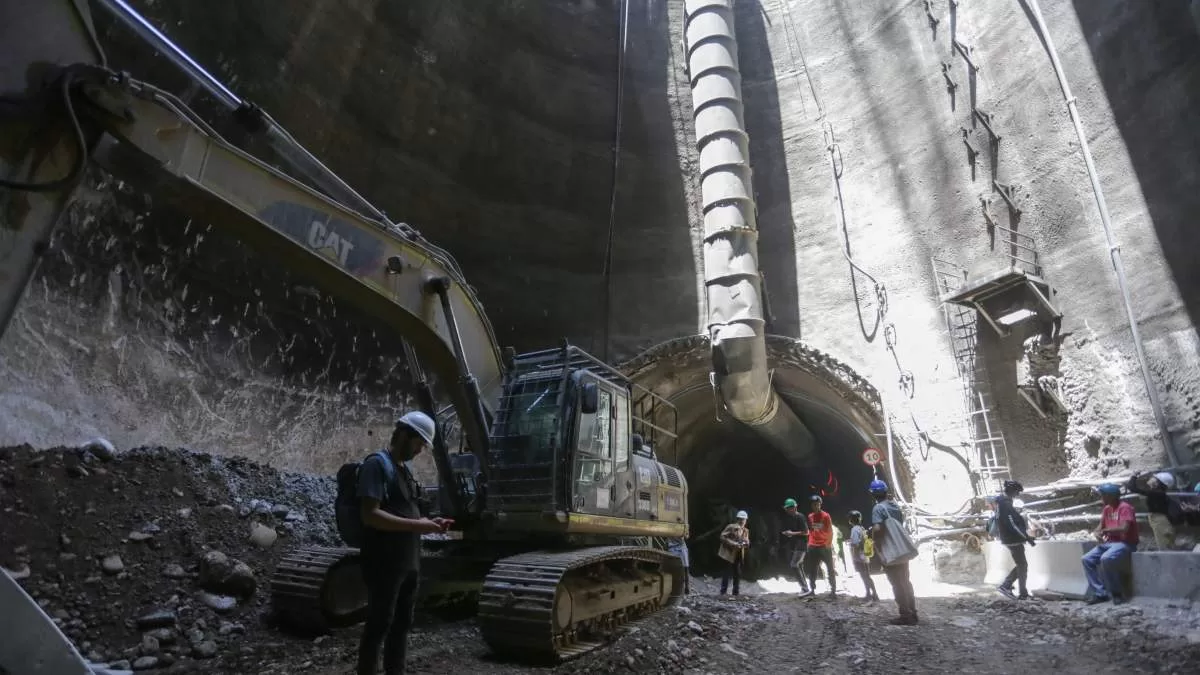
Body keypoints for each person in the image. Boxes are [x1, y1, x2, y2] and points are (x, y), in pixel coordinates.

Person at [356, 411, 452, 675]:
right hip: (383, 562)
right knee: (379, 624)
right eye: (419, 443)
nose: (420, 450)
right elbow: (370, 515)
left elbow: (406, 511)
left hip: (408, 562)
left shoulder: (404, 471)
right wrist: (419, 526)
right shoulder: (377, 465)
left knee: (401, 625)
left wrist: (432, 521)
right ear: (404, 435)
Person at [1081, 483, 1138, 605]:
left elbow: (1124, 528)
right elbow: (1101, 526)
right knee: (1086, 559)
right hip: (1110, 543)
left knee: (1106, 558)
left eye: (1103, 495)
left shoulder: (1125, 507)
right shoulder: (1107, 509)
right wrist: (1097, 532)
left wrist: (1106, 531)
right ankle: (1100, 593)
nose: (1102, 498)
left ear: (1111, 496)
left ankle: (1117, 593)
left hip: (1125, 543)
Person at [870, 479, 918, 625]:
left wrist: (873, 539)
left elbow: (878, 529)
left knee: (896, 584)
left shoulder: (878, 508)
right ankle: (913, 612)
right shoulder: (894, 505)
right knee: (905, 581)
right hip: (902, 549)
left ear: (872, 494)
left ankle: (905, 615)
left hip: (891, 551)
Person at [995, 480, 1037, 600]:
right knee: (1022, 565)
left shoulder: (1002, 503)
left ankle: (1021, 592)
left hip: (1010, 538)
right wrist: (1027, 537)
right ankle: (1007, 586)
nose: (1017, 494)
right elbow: (1012, 525)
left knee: (1021, 565)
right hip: (1012, 539)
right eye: (1017, 492)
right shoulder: (1005, 504)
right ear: (1012, 491)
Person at [1126, 471, 1177, 550]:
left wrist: (1134, 476)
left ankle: (1168, 561)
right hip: (1160, 520)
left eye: (1154, 478)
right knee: (1165, 545)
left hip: (1160, 521)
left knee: (1164, 547)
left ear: (1157, 483)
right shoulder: (1158, 493)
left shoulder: (1156, 494)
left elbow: (1132, 487)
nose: (1151, 478)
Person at [805, 495, 837, 598]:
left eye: (817, 504)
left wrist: (828, 544)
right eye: (814, 505)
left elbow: (830, 531)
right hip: (813, 546)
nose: (816, 506)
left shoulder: (826, 516)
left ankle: (833, 591)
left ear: (820, 504)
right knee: (813, 569)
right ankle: (812, 590)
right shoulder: (810, 516)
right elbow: (811, 530)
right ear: (811, 505)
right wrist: (809, 543)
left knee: (830, 569)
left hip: (824, 546)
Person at [780, 497, 811, 595]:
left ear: (794, 507)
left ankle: (805, 589)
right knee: (799, 566)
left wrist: (792, 533)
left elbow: (806, 532)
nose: (787, 510)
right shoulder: (793, 518)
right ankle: (805, 588)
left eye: (788, 508)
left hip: (802, 545)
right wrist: (789, 534)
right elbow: (797, 532)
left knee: (794, 565)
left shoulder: (800, 517)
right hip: (797, 545)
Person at [848, 510, 878, 601]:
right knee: (867, 575)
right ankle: (872, 593)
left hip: (859, 556)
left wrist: (851, 544)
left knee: (864, 576)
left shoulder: (854, 529)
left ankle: (871, 594)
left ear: (851, 520)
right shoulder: (862, 528)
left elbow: (856, 543)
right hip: (865, 555)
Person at [718, 510, 750, 596]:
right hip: (729, 554)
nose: (742, 521)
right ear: (738, 519)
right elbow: (722, 537)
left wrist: (746, 543)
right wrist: (733, 543)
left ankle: (736, 592)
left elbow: (747, 542)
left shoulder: (746, 531)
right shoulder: (731, 527)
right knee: (726, 572)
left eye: (744, 519)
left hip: (738, 554)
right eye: (741, 519)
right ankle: (723, 592)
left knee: (737, 573)